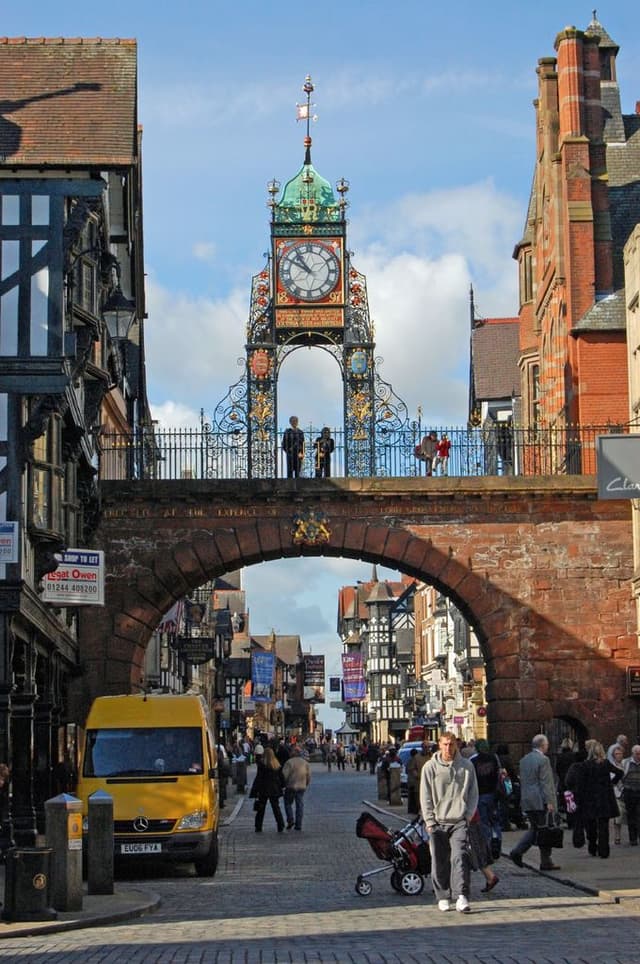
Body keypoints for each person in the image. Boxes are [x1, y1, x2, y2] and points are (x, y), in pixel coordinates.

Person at [420, 731, 479, 914]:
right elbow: (425, 795)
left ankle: (461, 895)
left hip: (459, 820)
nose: (448, 748)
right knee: (439, 860)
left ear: (456, 745)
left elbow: (473, 793)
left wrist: (468, 815)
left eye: (451, 744)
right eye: (445, 744)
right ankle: (443, 896)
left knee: (459, 856)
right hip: (437, 821)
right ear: (439, 745)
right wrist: (429, 820)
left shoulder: (467, 766)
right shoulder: (430, 767)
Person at [509, 733, 560, 871]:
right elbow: (546, 782)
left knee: (536, 828)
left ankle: (521, 853)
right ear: (543, 745)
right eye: (547, 744)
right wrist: (550, 801)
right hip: (540, 800)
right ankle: (543, 860)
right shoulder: (543, 760)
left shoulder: (524, 759)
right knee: (544, 830)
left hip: (527, 799)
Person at [569, 739, 619, 858]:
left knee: (591, 825)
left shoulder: (585, 765)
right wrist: (612, 783)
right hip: (604, 798)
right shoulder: (606, 763)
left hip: (590, 799)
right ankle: (604, 851)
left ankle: (592, 846)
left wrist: (579, 799)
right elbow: (619, 772)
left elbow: (580, 784)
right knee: (604, 826)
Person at [470, 738, 502, 859]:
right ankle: (497, 845)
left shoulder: (474, 761)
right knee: (495, 822)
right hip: (493, 794)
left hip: (480, 795)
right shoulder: (494, 758)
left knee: (483, 823)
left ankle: (487, 848)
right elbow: (498, 775)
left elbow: (471, 780)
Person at [249, 746, 285, 833]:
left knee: (261, 809)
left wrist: (255, 790)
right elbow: (281, 778)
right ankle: (280, 825)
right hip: (274, 789)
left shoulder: (262, 765)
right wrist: (282, 787)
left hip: (263, 789)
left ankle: (258, 826)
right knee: (276, 808)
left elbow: (259, 778)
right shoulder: (277, 765)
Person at [282, 745, 311, 831]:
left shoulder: (289, 762)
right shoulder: (305, 763)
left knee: (287, 803)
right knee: (299, 805)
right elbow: (308, 776)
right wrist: (306, 784)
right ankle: (299, 824)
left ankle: (290, 819)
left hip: (290, 786)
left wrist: (284, 784)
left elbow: (284, 775)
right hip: (301, 786)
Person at [620, 743, 640, 845]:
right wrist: (621, 789)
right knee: (631, 815)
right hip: (629, 792)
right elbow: (620, 776)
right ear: (633, 754)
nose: (638, 756)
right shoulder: (625, 763)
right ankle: (633, 838)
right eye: (637, 754)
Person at [610, 744, 626, 845]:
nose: (618, 755)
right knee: (618, 815)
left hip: (627, 792)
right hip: (616, 793)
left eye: (620, 753)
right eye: (616, 754)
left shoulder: (626, 764)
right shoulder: (611, 766)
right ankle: (617, 836)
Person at [406, 745, 430, 816]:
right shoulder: (416, 758)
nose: (426, 749)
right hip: (419, 782)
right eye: (425, 747)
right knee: (419, 799)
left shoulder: (432, 757)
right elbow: (412, 769)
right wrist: (416, 775)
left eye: (427, 747)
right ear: (422, 748)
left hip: (430, 782)